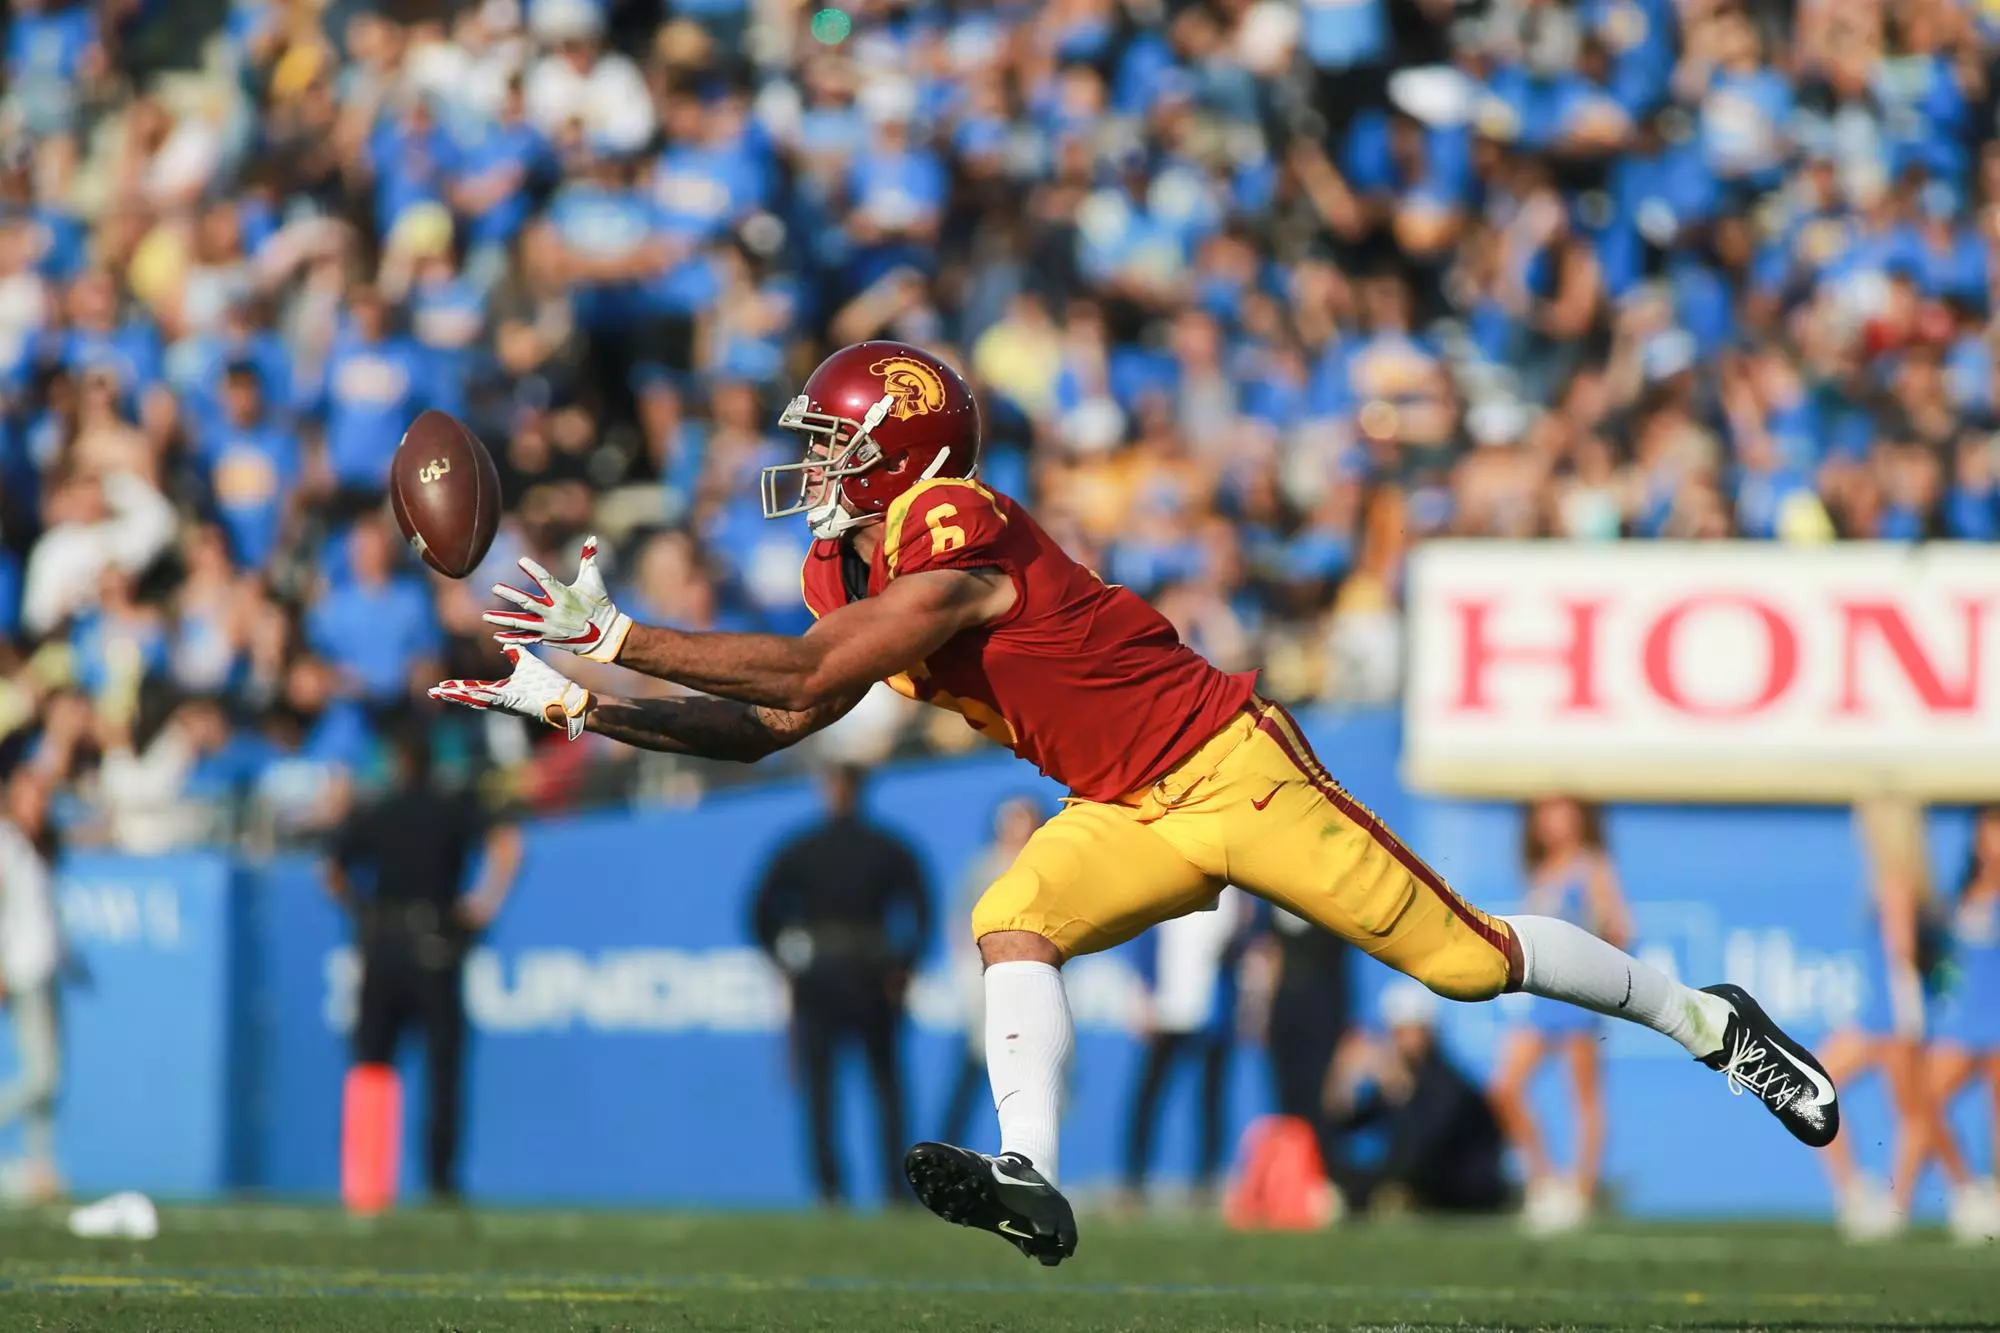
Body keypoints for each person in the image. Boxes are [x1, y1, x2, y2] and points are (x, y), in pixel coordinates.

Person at [430, 339, 1840, 1266]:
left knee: (1467, 963)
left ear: (910, 457)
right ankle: (1029, 1173)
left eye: (843, 444)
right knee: (1012, 913)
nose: (823, 469)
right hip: (1124, 800)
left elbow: (797, 674)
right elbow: (775, 723)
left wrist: (617, 638)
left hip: (1230, 766)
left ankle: (1711, 1022)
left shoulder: (952, 526)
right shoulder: (851, 573)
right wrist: (578, 708)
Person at [324, 724, 520, 1202]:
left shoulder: (378, 810)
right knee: (442, 1065)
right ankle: (440, 1178)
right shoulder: (451, 806)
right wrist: (483, 905)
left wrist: (360, 911)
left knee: (372, 1061)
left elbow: (330, 870)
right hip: (436, 942)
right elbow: (508, 846)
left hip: (384, 941)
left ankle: (366, 1182)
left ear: (397, 763)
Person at [750, 763, 931, 1207]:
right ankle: (871, 1188)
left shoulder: (807, 847)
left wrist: (784, 959)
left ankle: (845, 1189)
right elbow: (922, 912)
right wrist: (904, 964)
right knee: (864, 1088)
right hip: (862, 975)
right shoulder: (885, 846)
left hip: (840, 976)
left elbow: (761, 912)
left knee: (853, 1088)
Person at [1816, 796, 1976, 1241]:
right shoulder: (1911, 882)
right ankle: (1877, 1196)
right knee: (1908, 1108)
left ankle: (1953, 1194)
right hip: (1882, 1016)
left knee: (1914, 1111)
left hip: (1891, 1018)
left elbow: (1900, 954)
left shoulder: (1895, 881)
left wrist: (1907, 1024)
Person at [1487, 797, 1632, 1235]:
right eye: (1546, 815)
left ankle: (1582, 1194)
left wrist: (1598, 951)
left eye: (1562, 813)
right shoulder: (1540, 871)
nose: (1553, 823)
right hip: (1541, 995)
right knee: (1504, 1088)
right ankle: (1544, 1181)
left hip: (1578, 993)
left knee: (1583, 1098)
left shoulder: (1592, 867)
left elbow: (1622, 927)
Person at [1326, 982, 1508, 1216]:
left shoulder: (1448, 1082)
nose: (1403, 1040)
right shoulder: (1398, 1075)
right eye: (1397, 1032)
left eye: (1410, 1031)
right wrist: (1344, 1076)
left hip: (1460, 1184)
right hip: (1418, 1178)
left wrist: (1400, 1092)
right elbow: (1345, 1122)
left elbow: (1430, 1140)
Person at [1121, 887, 1252, 1210]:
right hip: (1166, 1009)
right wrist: (1144, 998)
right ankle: (1133, 1181)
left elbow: (1245, 945)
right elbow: (1145, 940)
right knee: (1148, 1098)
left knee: (1210, 1100)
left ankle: (1205, 1182)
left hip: (1213, 1013)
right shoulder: (1168, 881)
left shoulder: (1236, 892)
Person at [937, 795, 1042, 1149]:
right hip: (987, 986)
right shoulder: (984, 868)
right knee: (976, 1066)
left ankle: (1027, 1156)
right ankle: (950, 1152)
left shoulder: (1044, 866)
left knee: (1033, 1081)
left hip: (1034, 986)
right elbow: (959, 922)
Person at [1928, 806, 2000, 1244]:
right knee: (1925, 1102)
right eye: (1988, 833)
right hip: (1964, 1019)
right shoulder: (1964, 891)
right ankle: (1965, 1189)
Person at [0, 769, 63, 1201]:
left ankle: (38, 1168)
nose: (37, 807)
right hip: (22, 969)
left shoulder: (34, 846)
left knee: (48, 1079)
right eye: (29, 798)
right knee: (41, 1076)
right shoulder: (5, 844)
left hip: (44, 969)